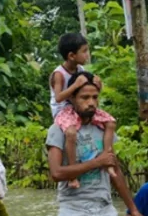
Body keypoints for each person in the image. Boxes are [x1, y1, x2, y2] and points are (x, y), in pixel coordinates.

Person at [46, 73, 148, 216]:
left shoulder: (103, 128)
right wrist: (96, 162)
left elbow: (115, 171)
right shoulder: (59, 130)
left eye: (95, 97)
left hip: (103, 209)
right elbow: (56, 173)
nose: (91, 102)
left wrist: (133, 210)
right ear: (72, 98)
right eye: (85, 97)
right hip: (73, 210)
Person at [50, 33, 117, 189]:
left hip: (79, 107)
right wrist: (74, 86)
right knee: (71, 133)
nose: (88, 55)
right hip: (64, 111)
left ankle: (108, 158)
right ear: (71, 55)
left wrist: (98, 83)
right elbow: (58, 97)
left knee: (111, 123)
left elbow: (89, 89)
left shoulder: (81, 69)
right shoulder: (59, 74)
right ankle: (73, 175)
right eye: (85, 51)